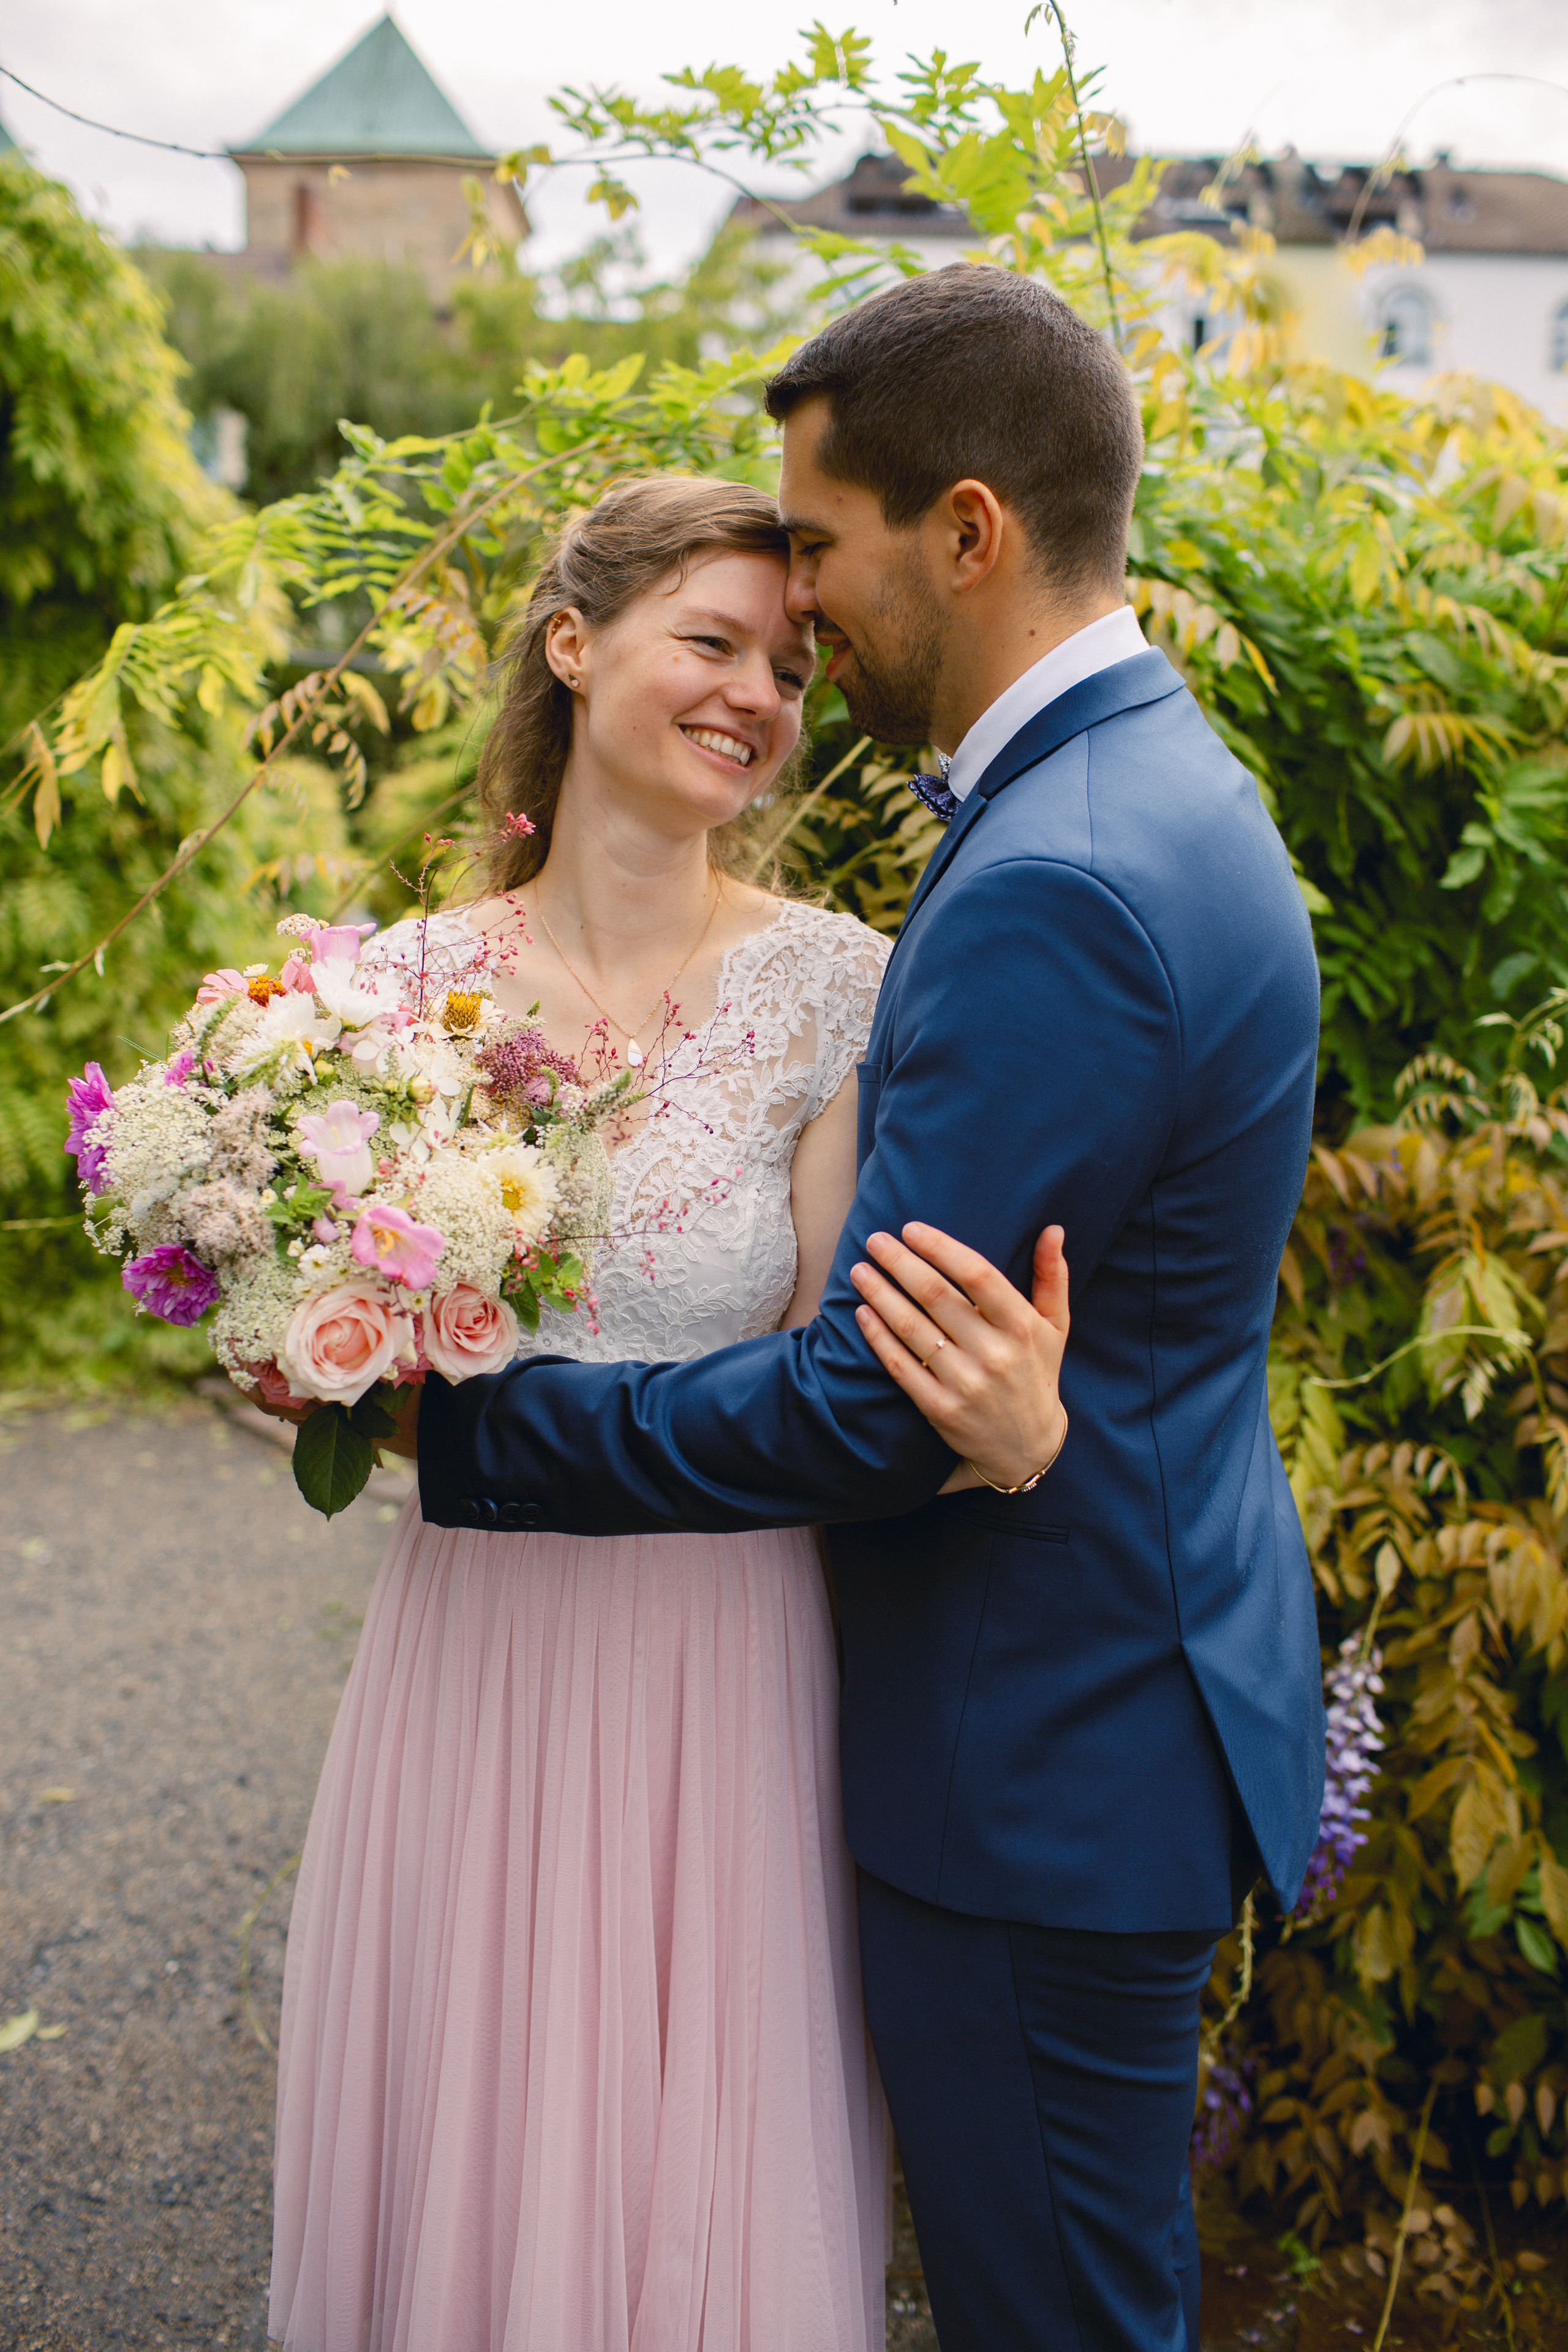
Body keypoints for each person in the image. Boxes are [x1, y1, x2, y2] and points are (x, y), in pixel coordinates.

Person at [412, 266, 1329, 2352]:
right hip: (1104, 1697)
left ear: (970, 530)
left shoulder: (1058, 873)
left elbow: (865, 1404)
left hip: (1037, 1755)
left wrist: (472, 1428)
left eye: (819, 549)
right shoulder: (1149, 786)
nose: (802, 611)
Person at [266, 473, 1071, 2352]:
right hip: (477, 1649)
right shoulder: (391, 1000)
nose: (757, 697)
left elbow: (836, 1384)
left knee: (698, 2172)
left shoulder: (837, 992)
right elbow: (345, 1358)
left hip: (731, 1659)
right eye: (712, 642)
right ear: (573, 642)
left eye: (788, 668)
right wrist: (291, 1341)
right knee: (475, 2131)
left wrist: (1003, 1426)